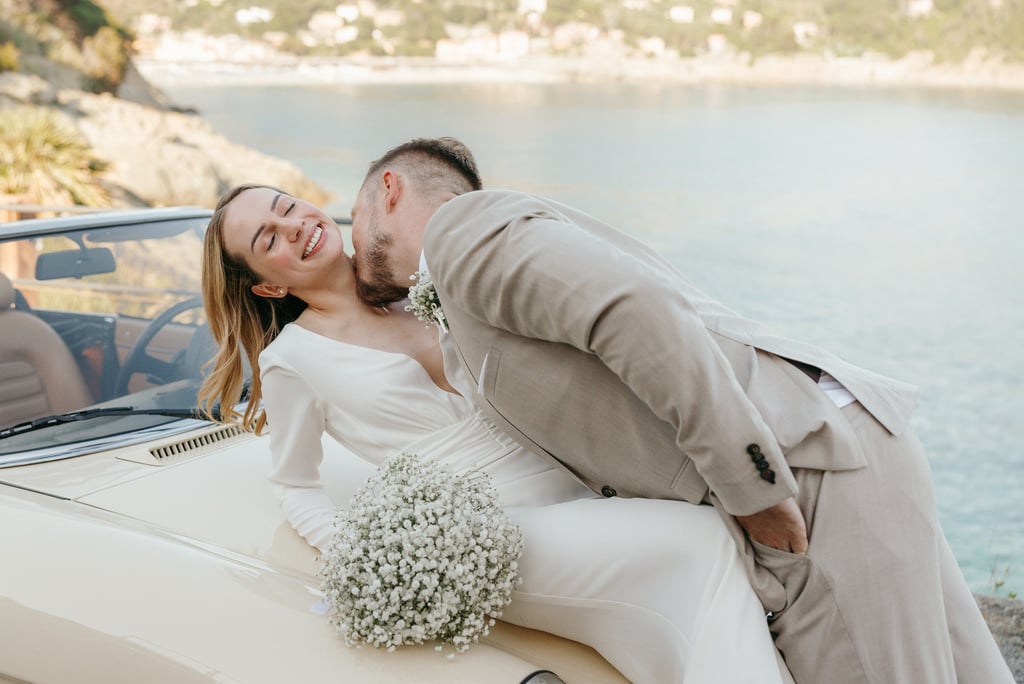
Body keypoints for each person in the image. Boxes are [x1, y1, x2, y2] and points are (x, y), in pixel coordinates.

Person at [347, 137, 1015, 684]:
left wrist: (750, 488)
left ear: (390, 190)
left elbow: (633, 310)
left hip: (806, 475)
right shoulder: (459, 293)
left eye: (349, 220)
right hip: (836, 456)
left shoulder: (463, 233)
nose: (348, 241)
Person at [198, 181, 793, 684]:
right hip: (487, 534)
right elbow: (296, 484)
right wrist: (369, 556)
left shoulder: (420, 281)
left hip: (579, 488)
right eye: (268, 239)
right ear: (267, 287)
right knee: (703, 540)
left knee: (717, 568)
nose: (294, 226)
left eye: (285, 206)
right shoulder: (293, 361)